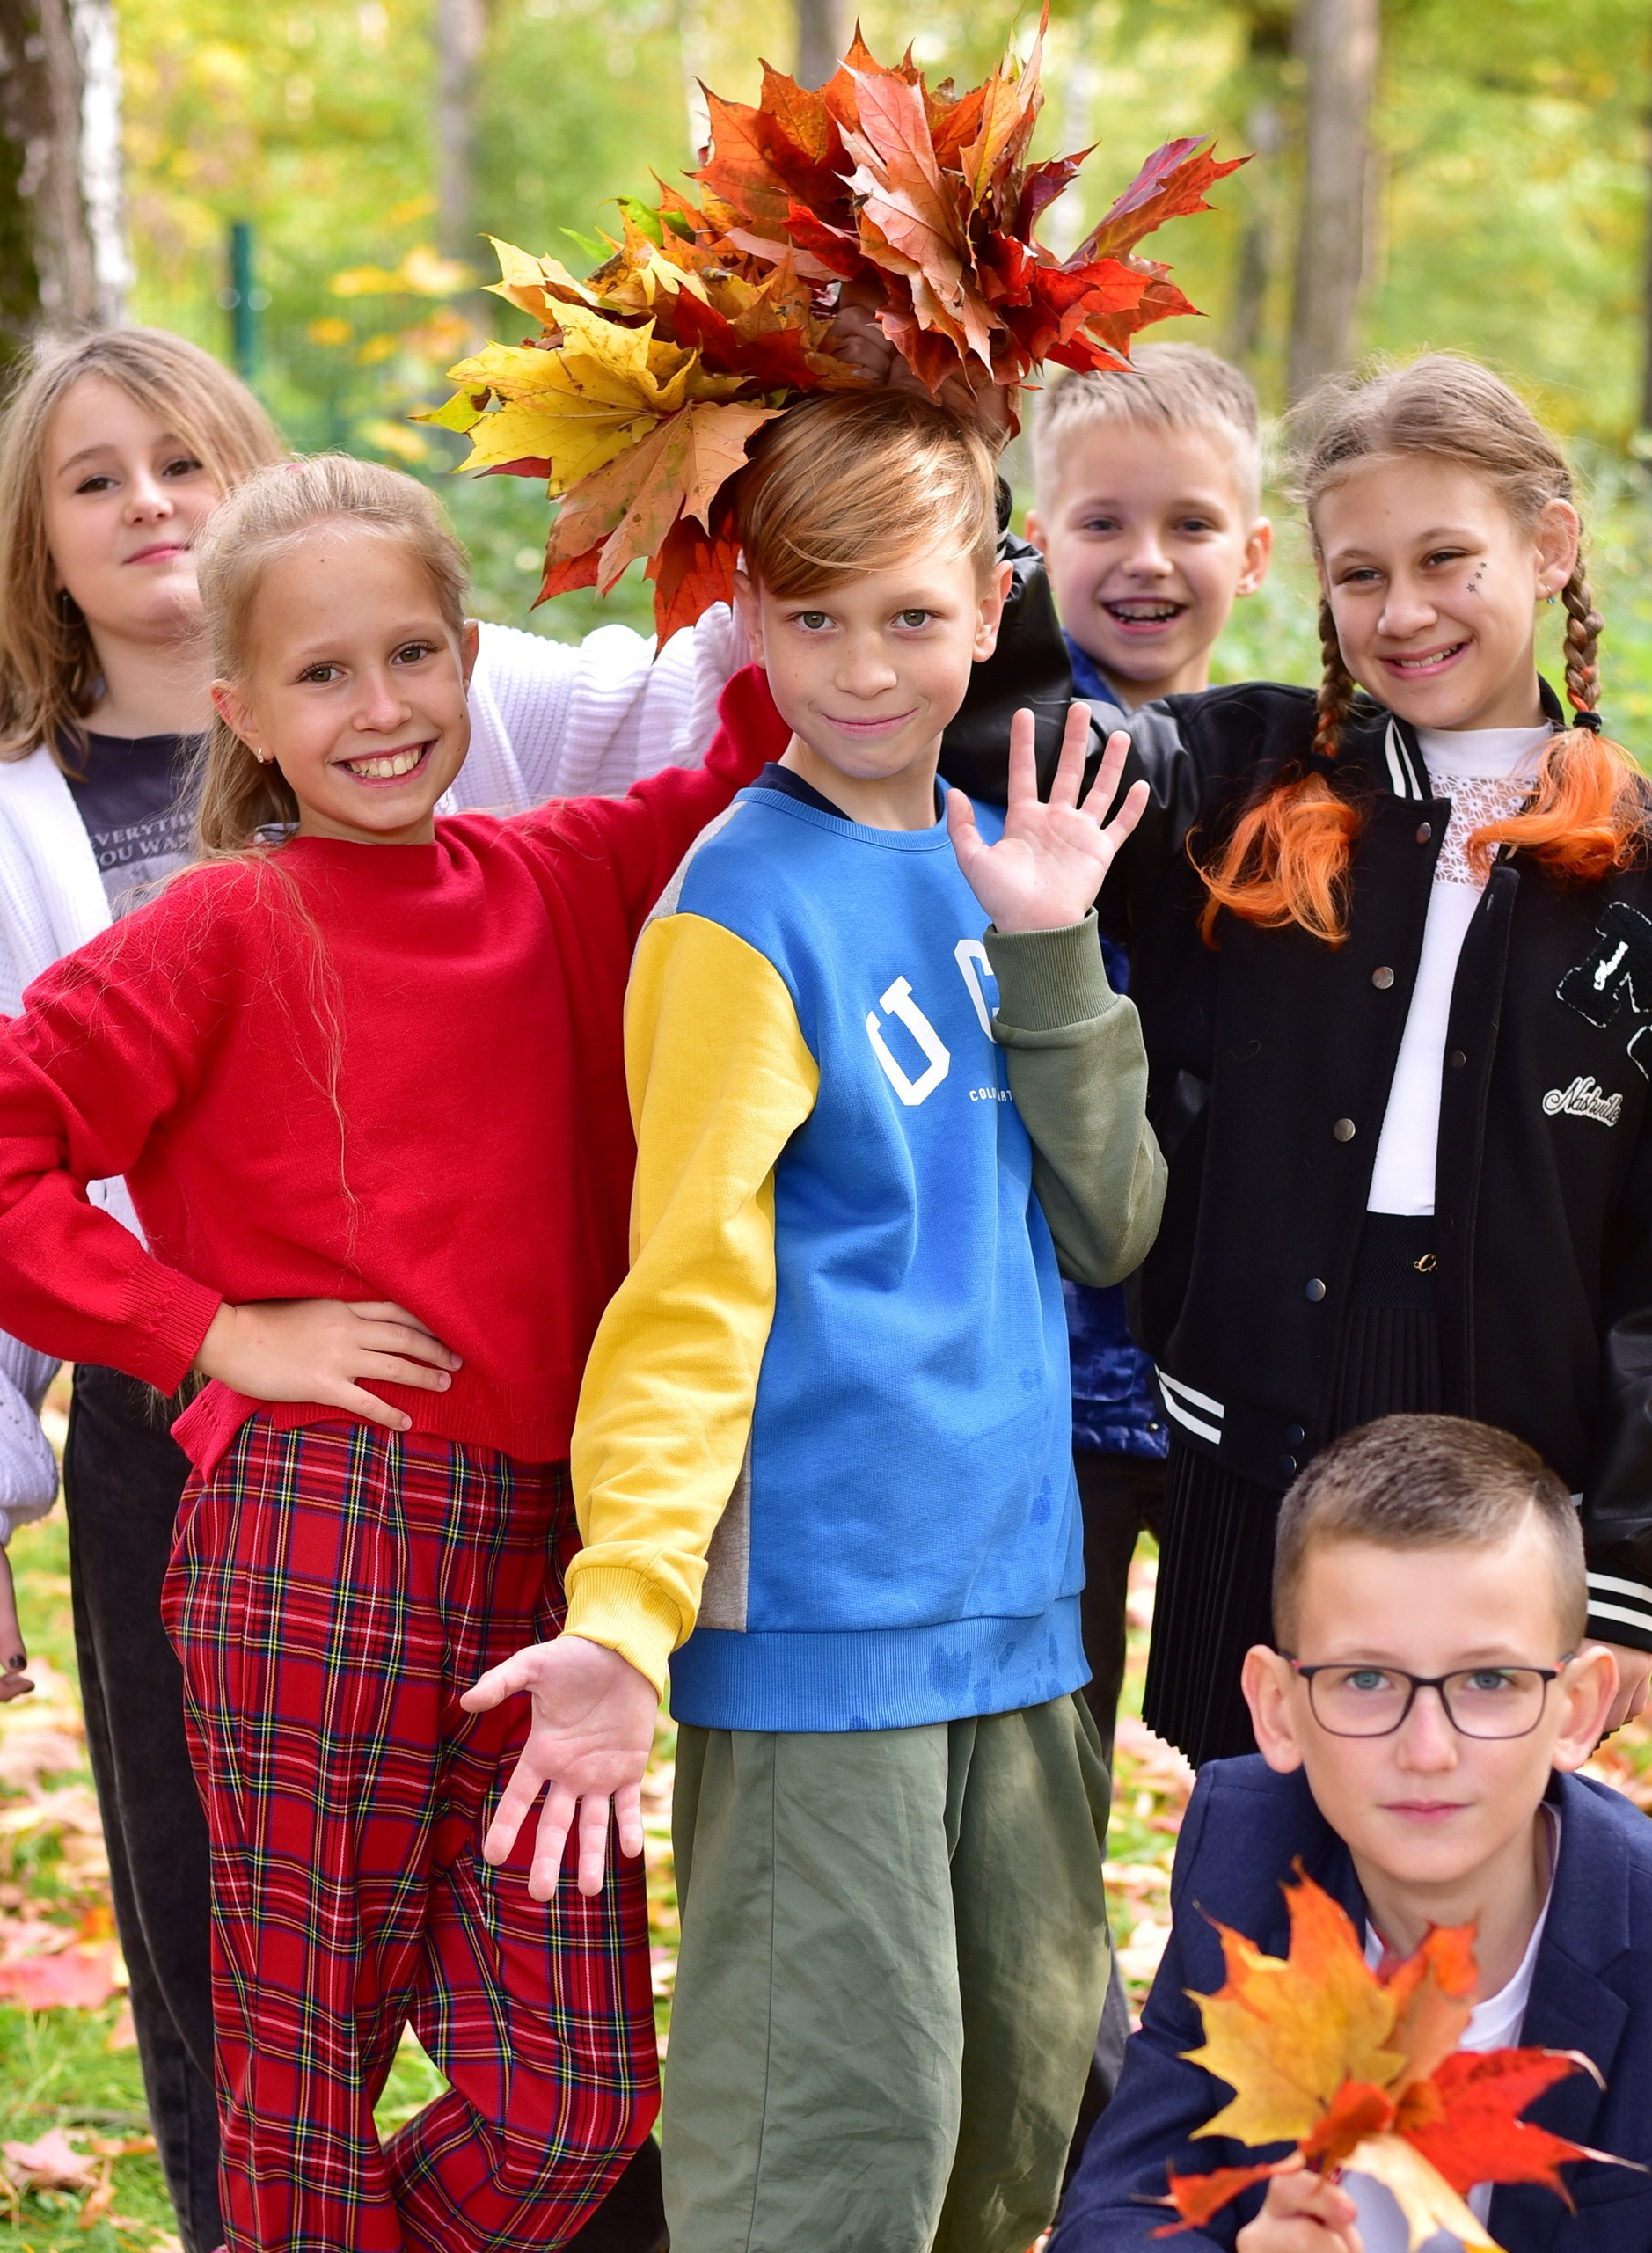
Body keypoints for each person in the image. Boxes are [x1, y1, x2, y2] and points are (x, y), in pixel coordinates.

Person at [0, 326, 743, 2251]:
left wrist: (802, 450)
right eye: (324, 676)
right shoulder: (215, 925)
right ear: (243, 710)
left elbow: (757, 737)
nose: (380, 707)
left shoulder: (555, 872)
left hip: (543, 1551)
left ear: (471, 661)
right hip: (312, 1535)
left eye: (413, 657)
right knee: (297, 2071)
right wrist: (206, 1331)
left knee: (575, 2102)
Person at [459, 389, 1166, 2253]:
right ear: (750, 619)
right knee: (831, 2147)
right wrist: (627, 1606)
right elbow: (685, 1289)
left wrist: (1051, 947)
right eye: (814, 617)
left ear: (992, 601)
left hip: (1014, 1603)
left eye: (911, 616)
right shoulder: (737, 912)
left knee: (1008, 2129)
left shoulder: (996, 864)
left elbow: (1111, 1220)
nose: (861, 668)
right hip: (822, 1619)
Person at [1087, 353, 1652, 1768]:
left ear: (1550, 545)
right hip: (1259, 1397)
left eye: (1444, 559)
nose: (1402, 612)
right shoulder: (1242, 776)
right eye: (1360, 575)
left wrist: (1628, 1563)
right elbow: (1028, 730)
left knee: (1442, 1800)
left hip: (1505, 1425)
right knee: (1254, 1788)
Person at [1051, 1414, 1652, 2251]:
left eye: (1488, 1679)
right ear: (1277, 1708)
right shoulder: (1248, 1855)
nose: (1426, 1750)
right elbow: (1116, 2215)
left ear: (1576, 1708)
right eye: (1364, 1678)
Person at [1022, 342, 1273, 1758]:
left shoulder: (1284, 768)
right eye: (1103, 522)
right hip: (1047, 1354)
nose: (1146, 560)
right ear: (1036, 537)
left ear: (1253, 551)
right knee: (1049, 1741)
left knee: (1256, 1730)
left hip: (1226, 1350)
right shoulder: (997, 741)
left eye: (1188, 524)